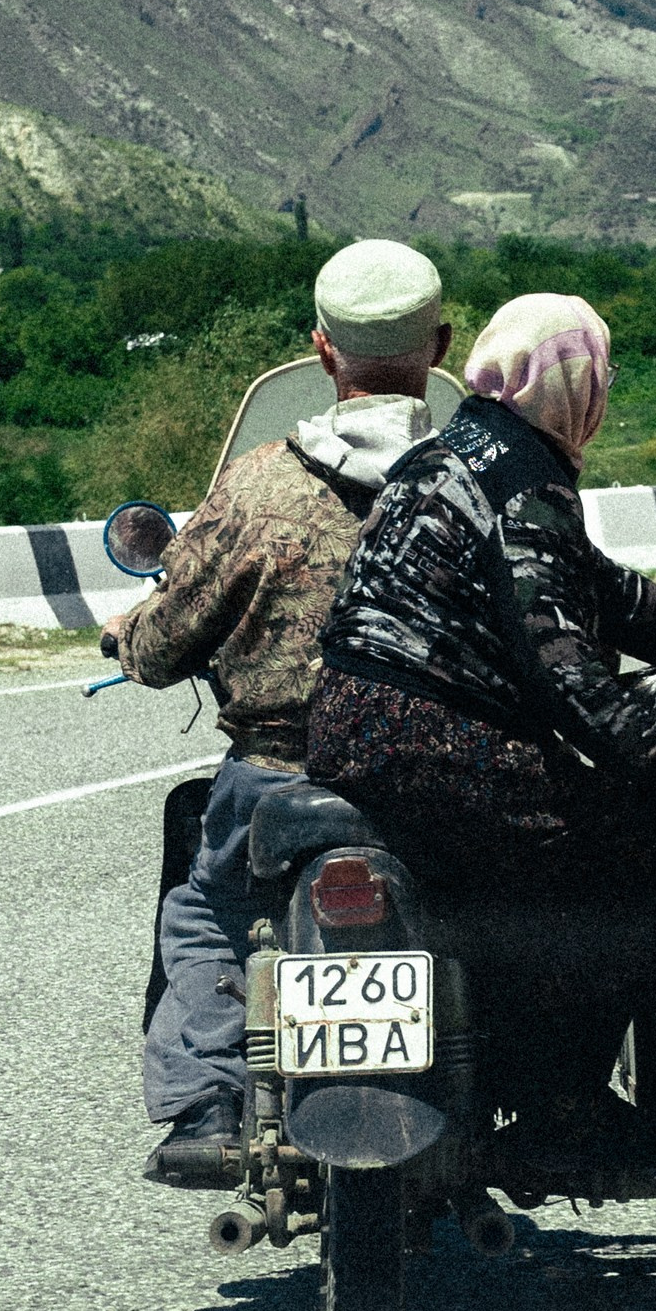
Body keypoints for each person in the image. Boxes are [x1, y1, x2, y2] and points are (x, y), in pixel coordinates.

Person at [305, 290, 656, 1170]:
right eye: (599, 375)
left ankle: (500, 1046)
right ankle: (560, 1103)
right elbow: (558, 658)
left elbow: (592, 587)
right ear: (570, 385)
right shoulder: (525, 479)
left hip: (353, 724)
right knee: (628, 853)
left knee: (530, 855)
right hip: (432, 735)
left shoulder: (454, 451)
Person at [112, 237, 457, 1183]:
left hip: (276, 775)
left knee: (205, 912)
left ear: (321, 350)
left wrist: (129, 637)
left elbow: (161, 640)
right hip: (447, 772)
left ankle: (210, 1101)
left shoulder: (258, 484)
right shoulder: (482, 476)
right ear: (440, 343)